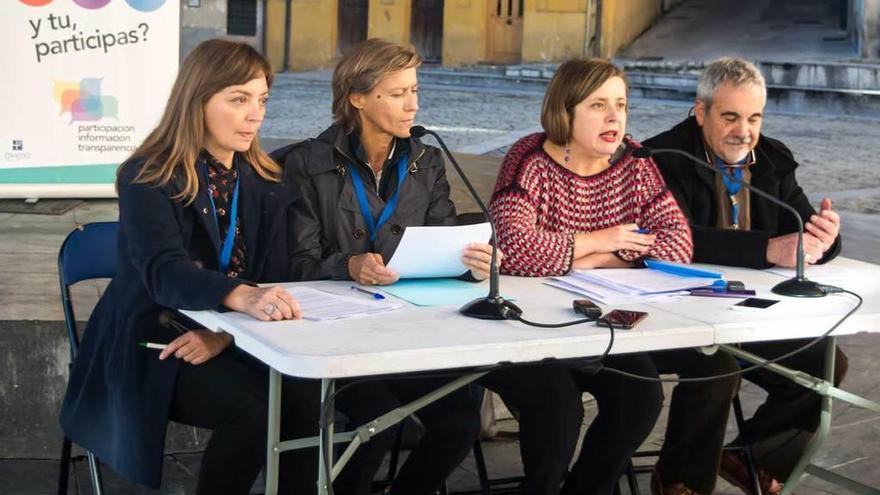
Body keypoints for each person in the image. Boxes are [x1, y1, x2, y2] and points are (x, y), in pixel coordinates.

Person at [57, 39, 320, 494]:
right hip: (151, 333)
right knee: (256, 409)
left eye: (261, 100)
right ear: (197, 101)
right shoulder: (149, 174)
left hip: (236, 329)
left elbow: (274, 272)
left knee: (305, 395)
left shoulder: (263, 178)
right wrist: (239, 298)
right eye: (238, 100)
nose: (255, 115)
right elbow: (163, 271)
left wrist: (225, 330)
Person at [277, 38, 487, 495]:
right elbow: (293, 262)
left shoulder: (426, 162)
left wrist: (472, 263)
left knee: (459, 422)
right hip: (333, 335)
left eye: (414, 90)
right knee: (378, 425)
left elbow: (443, 243)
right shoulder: (306, 164)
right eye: (397, 93)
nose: (412, 104)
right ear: (357, 98)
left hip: (407, 328)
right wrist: (348, 265)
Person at [644, 57, 849, 495]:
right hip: (679, 312)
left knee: (826, 363)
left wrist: (825, 239)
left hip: (751, 312)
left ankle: (751, 455)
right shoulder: (663, 157)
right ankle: (680, 479)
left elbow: (803, 225)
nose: (744, 131)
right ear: (701, 113)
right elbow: (674, 238)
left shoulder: (772, 159)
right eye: (731, 116)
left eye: (754, 117)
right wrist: (765, 249)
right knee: (715, 368)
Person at [488, 58, 692, 495]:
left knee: (642, 397)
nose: (615, 117)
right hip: (530, 329)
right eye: (599, 105)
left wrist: (593, 257)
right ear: (566, 110)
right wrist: (607, 238)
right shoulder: (529, 159)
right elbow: (513, 249)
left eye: (620, 104)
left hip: (600, 323)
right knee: (559, 408)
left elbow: (677, 244)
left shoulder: (634, 160)